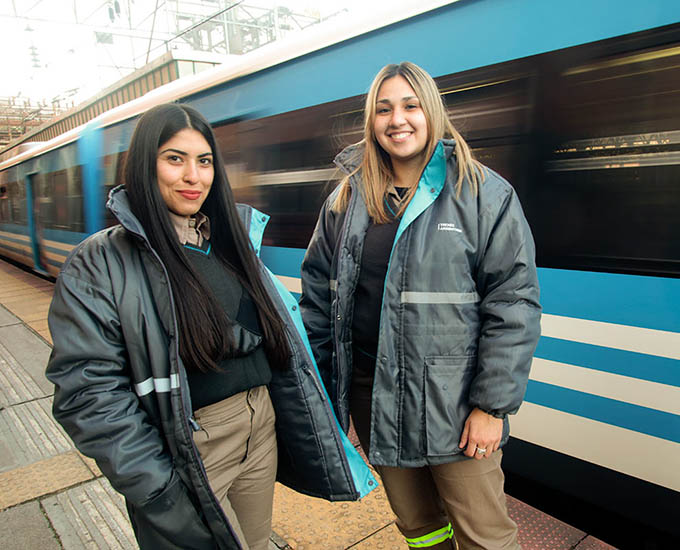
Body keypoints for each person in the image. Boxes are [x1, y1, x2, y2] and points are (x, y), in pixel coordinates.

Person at [46, 103, 374, 550]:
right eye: (174, 159)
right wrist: (155, 485)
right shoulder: (100, 262)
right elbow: (86, 392)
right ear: (146, 165)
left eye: (204, 162)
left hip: (259, 427)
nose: (193, 176)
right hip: (190, 445)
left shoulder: (230, 241)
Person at [300, 62, 541, 550]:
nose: (398, 120)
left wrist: (491, 408)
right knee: (418, 525)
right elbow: (317, 302)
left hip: (453, 403)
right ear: (371, 120)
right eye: (384, 109)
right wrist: (324, 397)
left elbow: (513, 302)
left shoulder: (482, 194)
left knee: (485, 534)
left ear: (431, 112)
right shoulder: (347, 201)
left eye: (410, 106)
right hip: (373, 394)